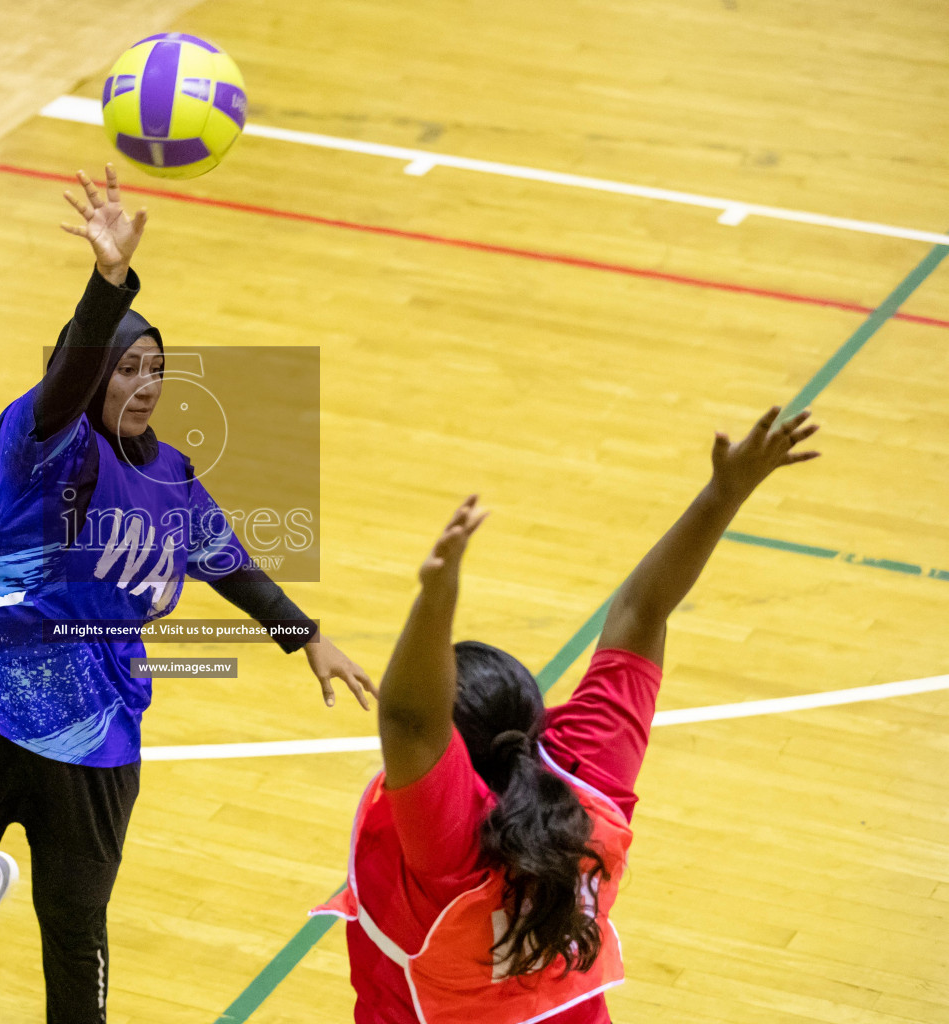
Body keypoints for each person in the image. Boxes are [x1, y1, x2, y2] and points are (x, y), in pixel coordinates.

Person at [0, 164, 377, 1024]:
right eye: (126, 369)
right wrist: (107, 284)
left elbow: (228, 562)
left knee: (76, 928)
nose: (144, 383)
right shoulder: (40, 440)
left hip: (96, 728)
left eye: (155, 369)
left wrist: (305, 636)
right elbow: (69, 377)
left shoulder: (171, 478)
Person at [315, 406, 821, 1023]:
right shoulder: (588, 777)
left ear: (452, 759)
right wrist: (725, 493)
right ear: (537, 717)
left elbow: (408, 719)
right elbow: (641, 611)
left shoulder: (446, 847)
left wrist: (436, 598)